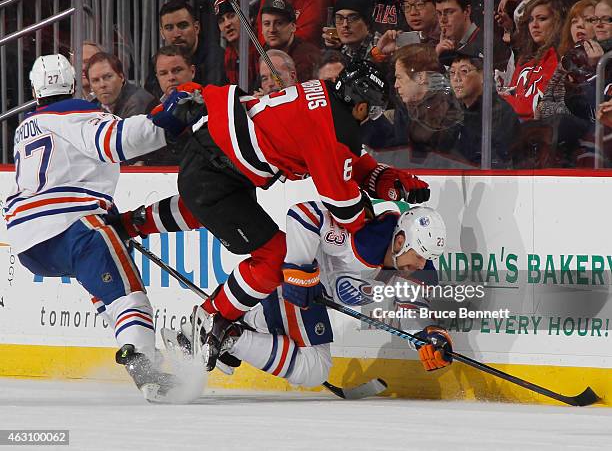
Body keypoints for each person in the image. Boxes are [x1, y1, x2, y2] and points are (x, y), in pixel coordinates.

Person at [127, 61, 432, 370]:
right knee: (274, 258)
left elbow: (350, 163)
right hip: (215, 170)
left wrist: (390, 180)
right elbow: (344, 206)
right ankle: (206, 325)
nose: (373, 119)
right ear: (361, 106)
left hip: (221, 161)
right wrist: (372, 230)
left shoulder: (328, 102)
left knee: (210, 212)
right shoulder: (332, 131)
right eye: (374, 111)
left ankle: (131, 223)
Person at [4, 54, 176, 402]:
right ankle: (144, 362)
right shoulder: (76, 112)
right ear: (73, 85)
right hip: (71, 225)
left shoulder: (25, 127)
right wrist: (169, 120)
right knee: (129, 295)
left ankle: (132, 345)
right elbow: (117, 141)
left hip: (28, 244)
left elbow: (67, 171)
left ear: (35, 91)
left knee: (105, 289)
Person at [137, 201, 453, 383]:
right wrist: (299, 272)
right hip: (293, 289)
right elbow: (303, 215)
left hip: (299, 299)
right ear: (399, 242)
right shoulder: (361, 242)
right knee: (315, 367)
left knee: (264, 327)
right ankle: (228, 336)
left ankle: (213, 335)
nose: (421, 263)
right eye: (419, 254)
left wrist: (428, 338)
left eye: (427, 258)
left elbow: (412, 315)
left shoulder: (411, 268)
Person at [144, 0, 226, 100]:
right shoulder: (158, 61)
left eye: (183, 26)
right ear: (162, 33)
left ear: (196, 28)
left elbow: (211, 99)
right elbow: (152, 95)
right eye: (169, 28)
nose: (177, 34)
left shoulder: (215, 57)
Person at [449, 49, 518, 166]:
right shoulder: (455, 112)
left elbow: (498, 164)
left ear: (484, 75)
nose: (456, 78)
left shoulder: (498, 113)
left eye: (464, 71)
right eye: (452, 72)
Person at [501, 0, 562, 121]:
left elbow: (534, 107)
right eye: (530, 20)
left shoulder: (557, 57)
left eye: (542, 19)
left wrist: (501, 99)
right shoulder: (524, 58)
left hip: (536, 129)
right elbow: (513, 95)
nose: (534, 25)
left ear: (557, 22)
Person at [260, 0, 321, 82]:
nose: (272, 29)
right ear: (261, 29)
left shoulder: (307, 56)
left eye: (279, 23)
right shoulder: (265, 50)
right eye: (267, 24)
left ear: (293, 27)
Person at [87, 52, 155, 118]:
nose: (102, 85)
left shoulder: (137, 101)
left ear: (121, 77)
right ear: (90, 85)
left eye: (108, 77)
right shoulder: (93, 106)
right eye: (95, 80)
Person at [215, 0, 259, 90]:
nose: (227, 24)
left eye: (231, 16)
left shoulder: (261, 48)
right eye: (221, 21)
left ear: (248, 17)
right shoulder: (224, 57)